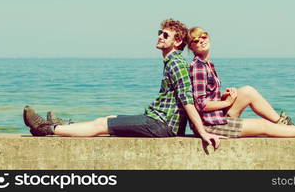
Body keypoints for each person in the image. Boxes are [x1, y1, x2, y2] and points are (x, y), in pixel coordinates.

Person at [23, 19, 223, 148]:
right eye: (159, 32)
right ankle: (64, 126)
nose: (159, 37)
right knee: (109, 117)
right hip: (157, 120)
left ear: (177, 42)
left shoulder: (177, 63)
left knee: (103, 125)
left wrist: (203, 132)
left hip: (162, 125)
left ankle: (46, 129)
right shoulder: (171, 61)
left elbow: (188, 100)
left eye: (165, 35)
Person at [187, 27, 295, 138]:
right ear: (191, 47)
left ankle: (284, 125)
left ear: (209, 37)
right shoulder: (198, 67)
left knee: (247, 91)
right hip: (210, 125)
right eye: (195, 40)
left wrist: (223, 97)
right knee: (263, 125)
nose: (201, 41)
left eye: (203, 36)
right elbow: (201, 104)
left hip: (215, 117)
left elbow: (205, 97)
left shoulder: (207, 64)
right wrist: (228, 103)